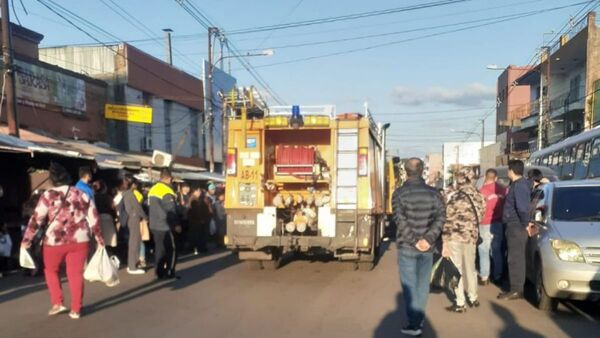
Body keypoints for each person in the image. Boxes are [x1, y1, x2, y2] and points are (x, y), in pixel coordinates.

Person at [21, 162, 104, 319]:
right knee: (75, 274)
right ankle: (76, 309)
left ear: (53, 180)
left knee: (51, 270)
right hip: (80, 240)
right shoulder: (82, 194)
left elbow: (36, 219)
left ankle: (58, 302)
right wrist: (100, 239)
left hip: (54, 242)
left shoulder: (48, 195)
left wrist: (26, 240)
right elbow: (94, 218)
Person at [392, 158, 445, 336]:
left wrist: (414, 240)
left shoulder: (399, 193)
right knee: (422, 285)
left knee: (409, 286)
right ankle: (418, 319)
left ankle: (414, 324)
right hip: (427, 249)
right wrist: (428, 240)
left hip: (407, 246)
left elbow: (400, 221)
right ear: (422, 171)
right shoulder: (434, 193)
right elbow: (441, 218)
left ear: (406, 172)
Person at [442, 167, 486, 313]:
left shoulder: (454, 197)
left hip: (454, 237)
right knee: (471, 268)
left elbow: (447, 220)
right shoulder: (479, 196)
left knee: (456, 270)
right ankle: (473, 297)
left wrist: (444, 242)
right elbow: (482, 216)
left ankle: (460, 302)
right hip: (471, 237)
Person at [498, 160, 532, 300]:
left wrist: (525, 224)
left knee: (515, 259)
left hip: (517, 226)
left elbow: (522, 208)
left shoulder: (519, 186)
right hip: (514, 225)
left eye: (508, 170)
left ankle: (517, 289)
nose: (507, 172)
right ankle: (515, 287)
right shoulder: (517, 185)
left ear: (511, 170)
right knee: (513, 257)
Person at [148, 168, 181, 279]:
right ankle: (170, 272)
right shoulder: (166, 191)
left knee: (159, 249)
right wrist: (176, 224)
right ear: (169, 178)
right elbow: (171, 210)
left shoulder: (153, 189)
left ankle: (158, 272)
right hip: (166, 225)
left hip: (154, 224)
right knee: (172, 249)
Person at [478, 169, 507, 285]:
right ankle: (498, 275)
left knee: (483, 250)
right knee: (496, 250)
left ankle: (484, 276)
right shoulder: (504, 190)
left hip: (484, 223)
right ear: (496, 178)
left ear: (485, 176)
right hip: (498, 223)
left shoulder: (481, 191)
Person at [121, 176, 148, 275]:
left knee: (133, 241)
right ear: (132, 184)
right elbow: (137, 207)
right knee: (135, 242)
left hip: (130, 218)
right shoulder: (130, 194)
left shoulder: (124, 194)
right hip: (134, 218)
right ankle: (133, 266)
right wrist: (145, 216)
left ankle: (132, 264)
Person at [187, 186, 212, 254]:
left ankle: (198, 248)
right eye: (198, 191)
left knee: (198, 235)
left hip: (198, 220)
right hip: (195, 220)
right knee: (196, 235)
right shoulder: (193, 199)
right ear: (195, 191)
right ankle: (197, 248)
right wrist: (201, 219)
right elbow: (195, 211)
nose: (199, 192)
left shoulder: (198, 199)